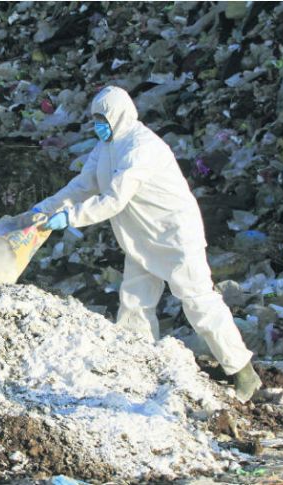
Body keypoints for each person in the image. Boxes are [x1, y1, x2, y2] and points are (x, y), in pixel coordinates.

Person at [33, 86, 262, 402]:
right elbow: (85, 184)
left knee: (198, 301)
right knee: (134, 301)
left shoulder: (141, 148)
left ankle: (243, 371)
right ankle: (139, 362)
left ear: (120, 114)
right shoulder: (107, 145)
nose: (99, 125)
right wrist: (46, 208)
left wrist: (69, 218)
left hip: (174, 236)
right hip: (141, 237)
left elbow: (114, 198)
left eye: (104, 118)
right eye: (96, 119)